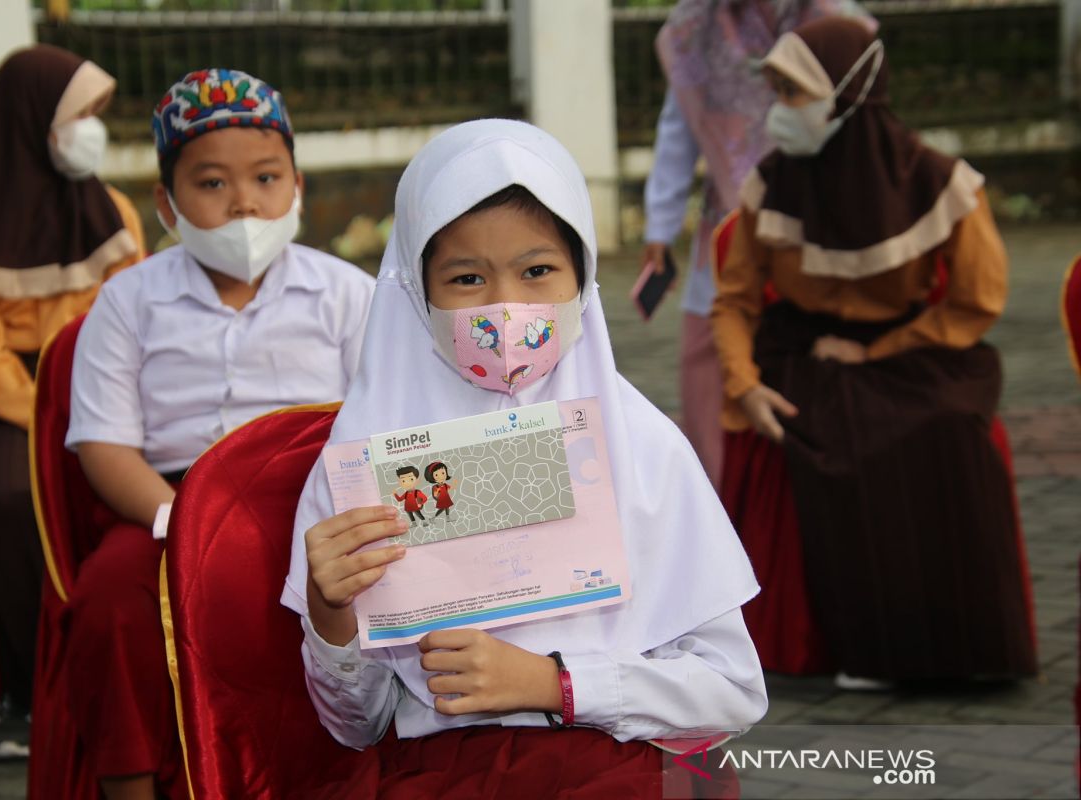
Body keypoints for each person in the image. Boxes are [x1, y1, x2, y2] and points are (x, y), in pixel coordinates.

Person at [282, 119, 766, 797]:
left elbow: (733, 691)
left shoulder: (642, 448)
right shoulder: (363, 466)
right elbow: (355, 727)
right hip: (439, 778)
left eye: (538, 271)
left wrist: (556, 683)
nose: (505, 309)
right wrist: (331, 617)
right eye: (467, 277)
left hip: (613, 769)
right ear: (419, 292)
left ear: (583, 276)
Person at [63, 68, 374, 800]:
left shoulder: (347, 294)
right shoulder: (128, 300)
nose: (244, 203)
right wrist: (180, 520)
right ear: (165, 202)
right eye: (211, 185)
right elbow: (105, 443)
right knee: (110, 593)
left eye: (266, 177)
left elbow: (379, 423)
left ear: (296, 184)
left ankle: (340, 770)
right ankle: (133, 783)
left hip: (309, 506)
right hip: (166, 506)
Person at [710, 17, 1037, 687]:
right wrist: (744, 384)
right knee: (826, 436)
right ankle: (849, 644)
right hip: (801, 347)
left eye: (794, 93)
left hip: (908, 348)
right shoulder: (770, 185)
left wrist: (884, 347)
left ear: (849, 93)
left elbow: (976, 300)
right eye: (775, 91)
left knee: (950, 431)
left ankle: (946, 645)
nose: (781, 111)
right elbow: (737, 301)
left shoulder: (938, 181)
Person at [0, 44, 144, 758]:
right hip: (13, 405)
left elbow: (137, 315)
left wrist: (94, 403)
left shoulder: (113, 211)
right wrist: (47, 412)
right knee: (12, 495)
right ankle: (21, 692)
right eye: (79, 115)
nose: (92, 131)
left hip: (106, 389)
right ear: (31, 122)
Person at [643, 0, 871, 490]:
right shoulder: (698, 27)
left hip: (818, 223)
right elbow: (678, 130)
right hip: (727, 218)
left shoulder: (830, 21)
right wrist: (660, 229)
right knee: (707, 357)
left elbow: (861, 117)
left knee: (805, 351)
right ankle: (718, 501)